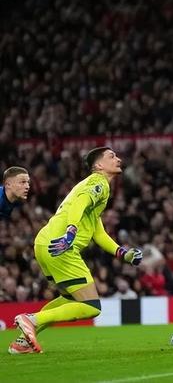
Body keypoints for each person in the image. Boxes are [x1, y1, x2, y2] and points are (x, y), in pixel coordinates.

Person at [9, 147, 143, 354]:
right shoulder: (99, 182)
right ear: (99, 165)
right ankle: (32, 319)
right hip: (61, 245)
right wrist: (70, 233)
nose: (118, 159)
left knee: (70, 299)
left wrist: (122, 253)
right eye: (112, 156)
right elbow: (78, 204)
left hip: (45, 244)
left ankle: (22, 342)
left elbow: (98, 231)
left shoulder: (91, 188)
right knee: (91, 306)